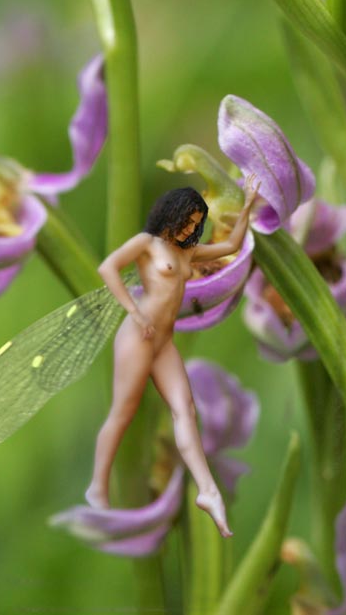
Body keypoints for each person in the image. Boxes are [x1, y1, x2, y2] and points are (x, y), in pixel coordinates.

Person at [85, 185, 253, 537]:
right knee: (123, 414)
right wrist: (133, 310)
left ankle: (207, 492)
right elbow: (108, 268)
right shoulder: (146, 244)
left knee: (186, 410)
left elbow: (231, 247)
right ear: (170, 215)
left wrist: (249, 204)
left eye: (196, 224)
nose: (191, 230)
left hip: (164, 342)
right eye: (187, 222)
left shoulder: (188, 254)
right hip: (138, 336)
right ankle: (98, 487)